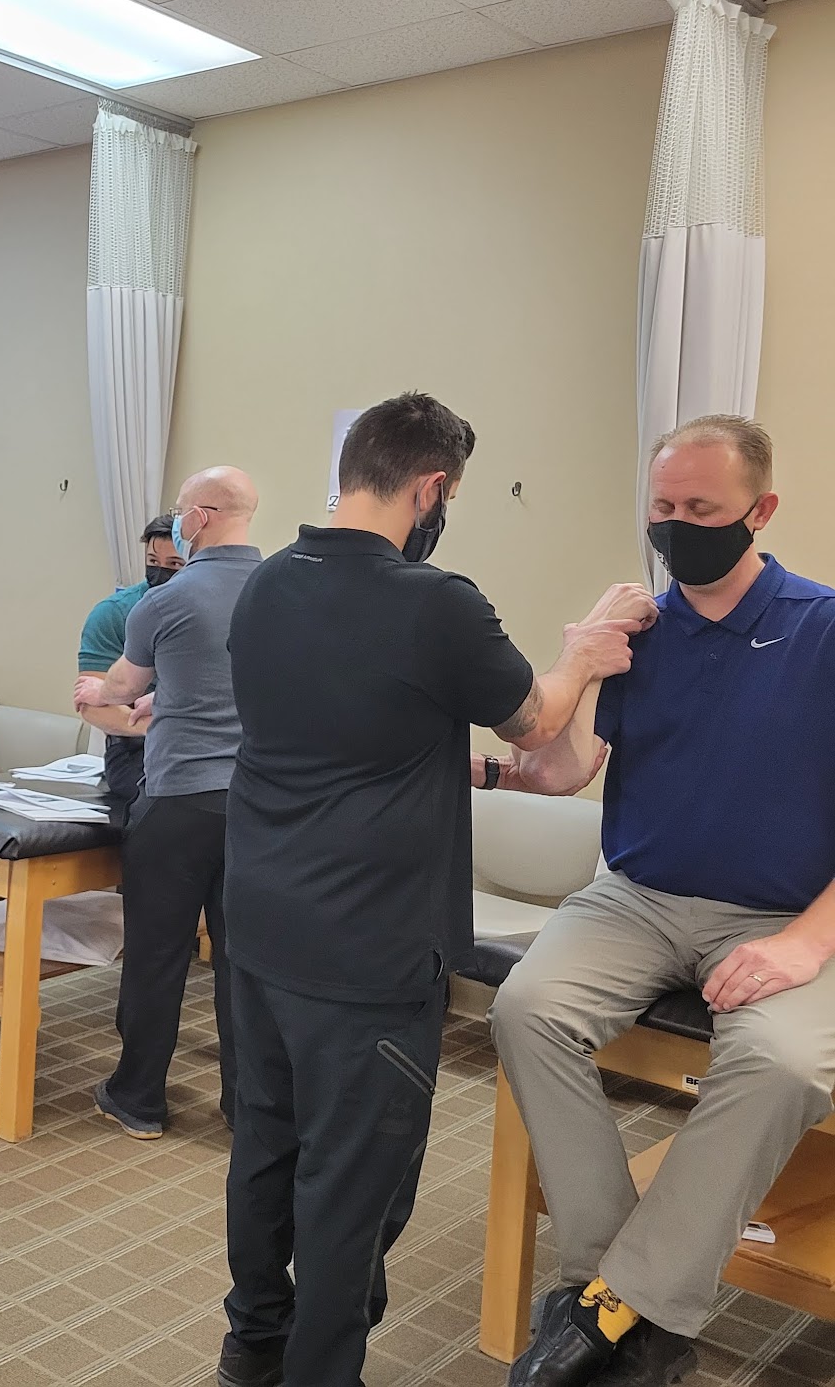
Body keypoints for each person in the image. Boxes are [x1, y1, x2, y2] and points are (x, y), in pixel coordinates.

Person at [216, 393, 643, 1387]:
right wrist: (583, 650)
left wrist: (488, 775)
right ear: (431, 487)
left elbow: (357, 733)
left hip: (261, 928)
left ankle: (252, 1347)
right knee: (353, 1188)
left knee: (267, 1150)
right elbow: (538, 721)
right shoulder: (433, 601)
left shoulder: (267, 583)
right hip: (368, 952)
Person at [491, 416, 835, 1387]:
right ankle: (621, 1302)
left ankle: (609, 1308)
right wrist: (580, 655)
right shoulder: (640, 633)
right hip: (636, 898)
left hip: (784, 916)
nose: (677, 526)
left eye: (702, 509)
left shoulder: (821, 627)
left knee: (779, 1062)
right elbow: (561, 773)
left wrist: (807, 946)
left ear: (760, 512)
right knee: (526, 1009)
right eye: (662, 506)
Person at [74, 468, 260, 1141]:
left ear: (201, 518)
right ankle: (246, 1105)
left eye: (182, 512)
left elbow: (122, 687)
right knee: (242, 961)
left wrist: (96, 692)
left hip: (178, 800)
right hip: (255, 804)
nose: (177, 524)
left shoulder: (169, 597)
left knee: (157, 955)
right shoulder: (279, 589)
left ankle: (139, 1098)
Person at [74, 514, 186, 828]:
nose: (161, 571)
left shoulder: (215, 611)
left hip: (206, 747)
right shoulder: (115, 613)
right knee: (167, 804)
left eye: (174, 564)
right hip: (135, 751)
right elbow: (90, 704)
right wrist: (156, 728)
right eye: (153, 561)